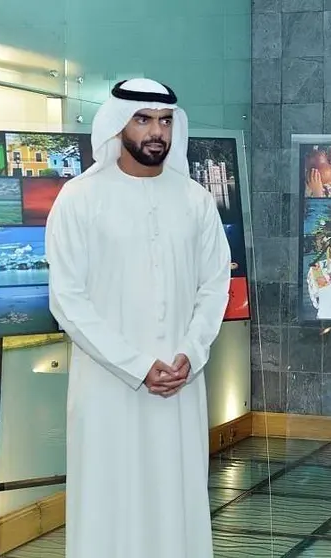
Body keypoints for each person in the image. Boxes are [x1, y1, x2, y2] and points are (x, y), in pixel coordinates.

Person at [45, 78, 232, 558]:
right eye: (143, 119)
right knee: (109, 501)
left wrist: (190, 352)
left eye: (166, 121)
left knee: (177, 499)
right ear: (117, 125)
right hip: (108, 388)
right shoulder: (79, 197)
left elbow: (214, 286)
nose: (157, 132)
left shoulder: (193, 199)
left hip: (179, 384)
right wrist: (135, 364)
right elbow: (67, 298)